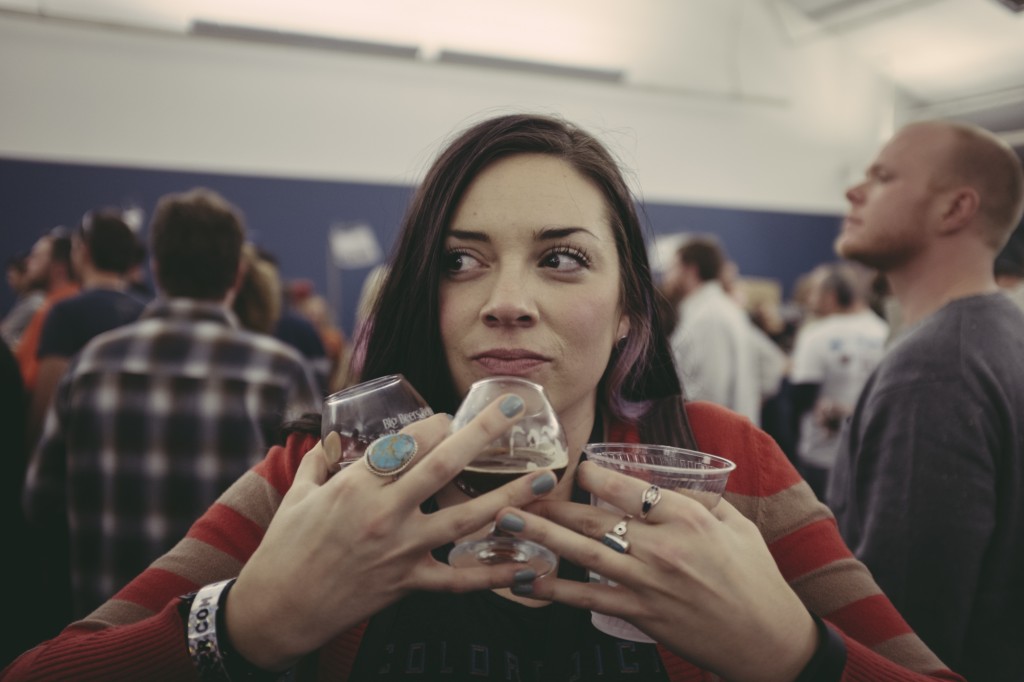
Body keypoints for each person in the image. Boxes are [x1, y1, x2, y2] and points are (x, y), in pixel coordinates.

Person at [4, 114, 963, 681]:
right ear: (425, 290)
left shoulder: (727, 467)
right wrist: (240, 626)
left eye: (561, 259)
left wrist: (800, 657)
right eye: (463, 261)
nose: (508, 303)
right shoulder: (329, 473)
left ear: (630, 306)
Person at [22, 187, 321, 618]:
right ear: (237, 274)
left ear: (156, 267)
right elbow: (312, 518)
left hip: (107, 643)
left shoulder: (91, 364)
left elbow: (39, 504)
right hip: (230, 645)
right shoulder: (279, 371)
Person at [827, 120, 1024, 681]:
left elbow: (904, 628)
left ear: (954, 209)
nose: (854, 191)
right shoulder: (1000, 333)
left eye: (883, 177)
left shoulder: (938, 366)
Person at [27, 209, 147, 449]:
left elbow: (45, 409)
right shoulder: (148, 313)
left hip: (78, 455)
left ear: (84, 251)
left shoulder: (65, 313)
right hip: (132, 451)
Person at [788, 262, 888, 500]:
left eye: (815, 293)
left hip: (821, 457)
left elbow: (800, 399)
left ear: (831, 296)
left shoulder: (816, 335)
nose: (810, 300)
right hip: (872, 454)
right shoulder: (886, 332)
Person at [662, 236, 770, 425]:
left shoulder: (709, 317)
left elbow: (710, 393)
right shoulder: (716, 308)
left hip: (709, 438)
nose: (667, 277)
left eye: (673, 268)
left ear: (690, 270)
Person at [13, 227, 79, 391]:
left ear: (59, 269)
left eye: (36, 257)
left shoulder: (54, 311)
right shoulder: (66, 303)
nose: (28, 262)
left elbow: (27, 381)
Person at [0, 252, 45, 351]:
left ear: (25, 276)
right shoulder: (24, 299)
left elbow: (5, 334)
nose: (9, 282)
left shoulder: (34, 303)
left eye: (11, 277)